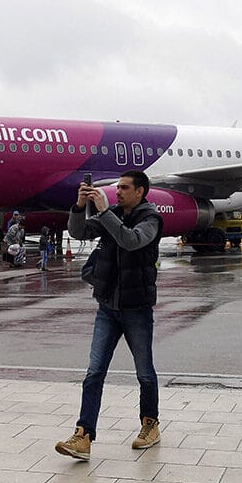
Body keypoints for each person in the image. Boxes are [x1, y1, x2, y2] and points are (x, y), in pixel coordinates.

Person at [55, 170, 164, 461]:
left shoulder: (150, 219)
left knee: (144, 372)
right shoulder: (112, 213)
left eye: (125, 188)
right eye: (118, 187)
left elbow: (131, 240)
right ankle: (83, 435)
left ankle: (150, 423)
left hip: (137, 309)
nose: (118, 192)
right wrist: (79, 207)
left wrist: (104, 212)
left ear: (140, 191)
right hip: (107, 308)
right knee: (94, 373)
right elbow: (79, 233)